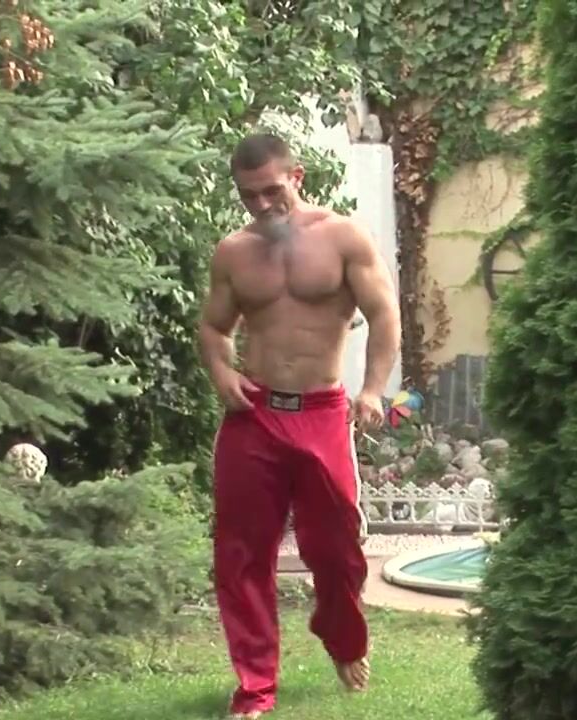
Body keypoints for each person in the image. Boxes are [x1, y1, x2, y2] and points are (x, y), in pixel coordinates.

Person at [197, 132, 401, 720]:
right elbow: (213, 327)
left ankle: (342, 636)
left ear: (298, 177)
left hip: (321, 413)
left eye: (271, 190)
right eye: (248, 195)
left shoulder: (343, 237)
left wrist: (371, 389)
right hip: (253, 415)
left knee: (336, 548)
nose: (261, 205)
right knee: (241, 554)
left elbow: (384, 314)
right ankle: (255, 687)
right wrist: (221, 372)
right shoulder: (234, 251)